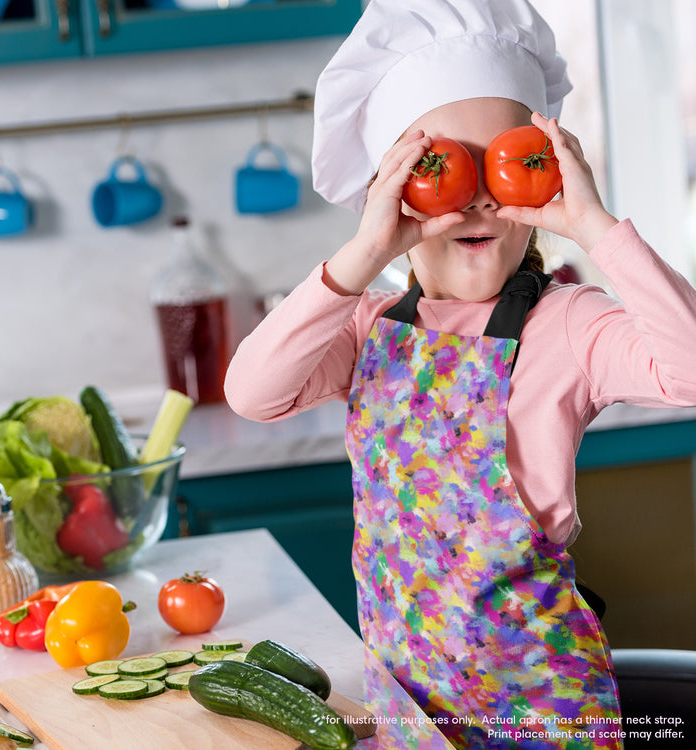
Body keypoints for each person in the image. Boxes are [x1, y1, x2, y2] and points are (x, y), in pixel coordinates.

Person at [224, 1, 696, 747]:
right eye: (443, 167)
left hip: (547, 715)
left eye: (507, 164)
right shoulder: (365, 324)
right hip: (410, 712)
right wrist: (364, 253)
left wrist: (595, 226)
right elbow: (252, 393)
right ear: (394, 188)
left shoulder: (567, 324)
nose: (477, 195)